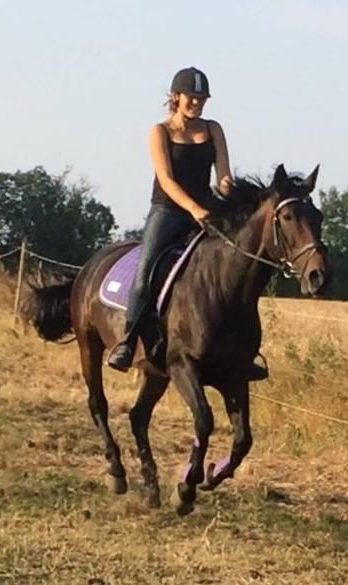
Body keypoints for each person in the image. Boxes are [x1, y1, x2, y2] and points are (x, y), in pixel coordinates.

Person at [107, 66, 234, 372]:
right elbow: (166, 179)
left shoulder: (213, 129)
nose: (197, 103)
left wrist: (230, 198)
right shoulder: (160, 131)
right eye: (192, 97)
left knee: (233, 264)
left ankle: (237, 345)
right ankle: (128, 340)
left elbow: (224, 175)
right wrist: (193, 209)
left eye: (202, 98)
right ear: (176, 97)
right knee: (146, 269)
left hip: (205, 209)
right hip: (169, 210)